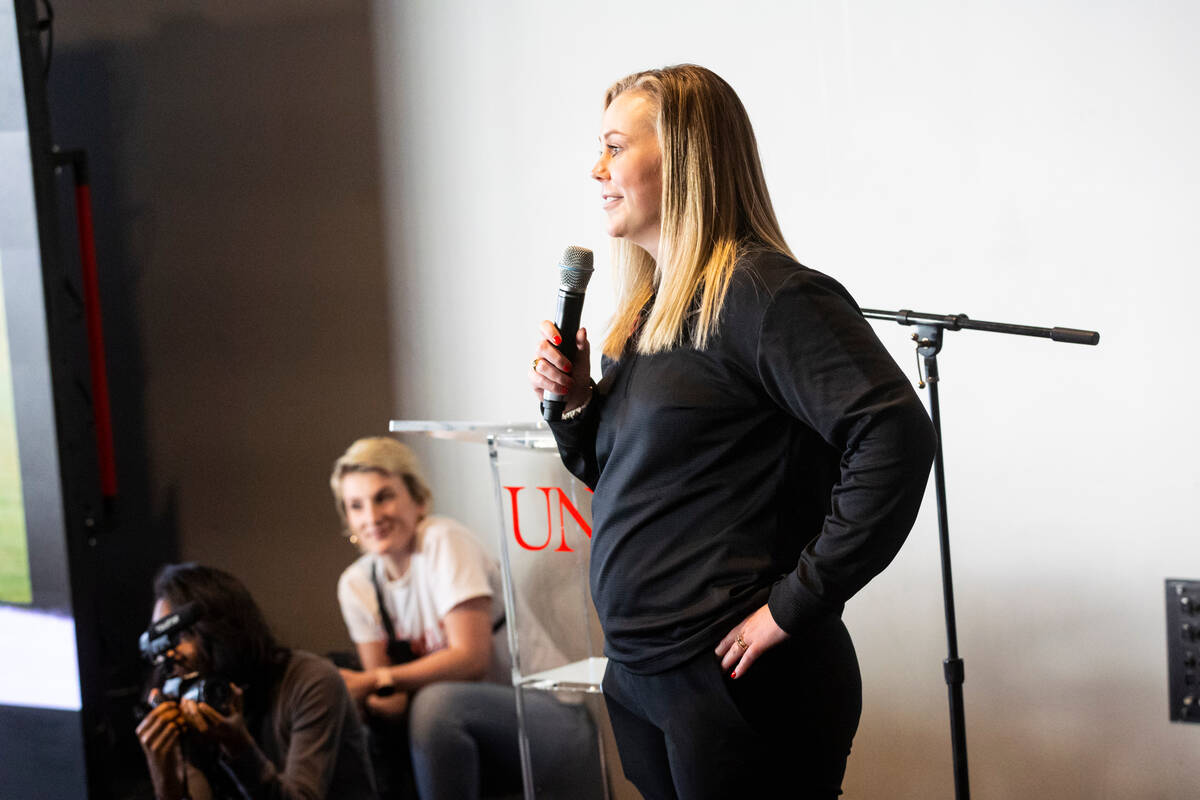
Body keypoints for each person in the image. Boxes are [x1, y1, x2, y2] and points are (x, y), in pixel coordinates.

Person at [528, 64, 938, 799]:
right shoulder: (648, 312)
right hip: (642, 673)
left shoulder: (766, 295)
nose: (597, 169)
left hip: (734, 681)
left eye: (616, 147)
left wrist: (796, 603)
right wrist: (581, 402)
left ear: (683, 157)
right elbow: (624, 477)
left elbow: (894, 435)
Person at [330, 436, 602, 800]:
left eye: (384, 497)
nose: (372, 517)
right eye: (356, 506)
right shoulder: (356, 585)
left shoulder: (444, 540)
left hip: (549, 716)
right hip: (466, 729)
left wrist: (376, 679)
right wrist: (378, 695)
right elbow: (386, 697)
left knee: (436, 704)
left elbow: (470, 659)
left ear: (418, 498)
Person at [134, 563, 376, 800]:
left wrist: (239, 749)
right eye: (160, 645)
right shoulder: (186, 696)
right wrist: (165, 777)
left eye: (180, 636)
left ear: (219, 631)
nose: (168, 656)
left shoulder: (310, 680)